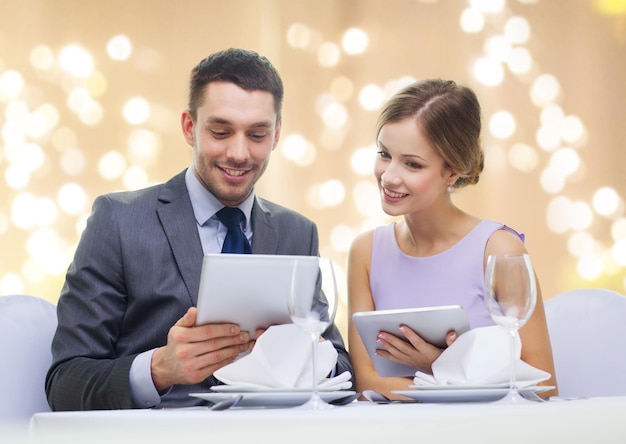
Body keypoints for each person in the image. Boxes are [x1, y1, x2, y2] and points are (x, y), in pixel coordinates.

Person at [46, 48, 352, 410]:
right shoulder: (118, 221)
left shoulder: (297, 232)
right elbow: (64, 384)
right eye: (221, 132)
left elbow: (342, 369)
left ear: (276, 135)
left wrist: (309, 355)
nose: (239, 153)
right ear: (190, 128)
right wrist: (159, 369)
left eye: (257, 135)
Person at [347, 79, 557, 400]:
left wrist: (440, 366)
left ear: (453, 172)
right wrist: (453, 380)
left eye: (412, 164)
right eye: (384, 154)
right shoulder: (366, 252)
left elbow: (543, 389)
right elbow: (368, 383)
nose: (389, 176)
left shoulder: (498, 250)